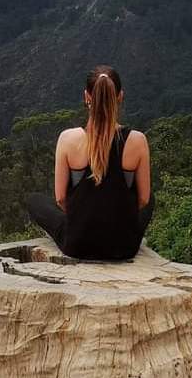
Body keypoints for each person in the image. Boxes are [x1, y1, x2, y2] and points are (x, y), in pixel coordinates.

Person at [26, 65, 153, 260]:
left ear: (87, 96)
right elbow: (143, 200)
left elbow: (60, 199)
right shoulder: (137, 140)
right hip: (123, 246)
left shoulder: (68, 139)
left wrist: (85, 216)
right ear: (120, 96)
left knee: (34, 200)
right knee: (151, 198)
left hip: (77, 244)